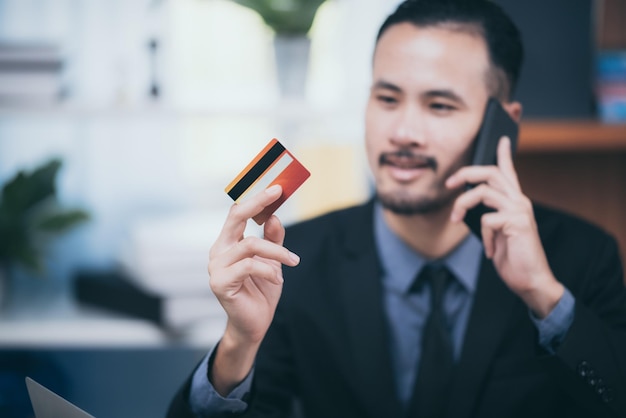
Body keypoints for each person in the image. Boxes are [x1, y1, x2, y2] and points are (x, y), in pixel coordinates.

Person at [168, 0, 626, 417]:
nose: (403, 131)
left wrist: (545, 298)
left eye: (440, 105)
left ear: (502, 124)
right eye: (387, 99)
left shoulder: (582, 259)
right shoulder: (293, 260)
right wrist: (238, 345)